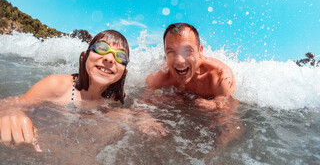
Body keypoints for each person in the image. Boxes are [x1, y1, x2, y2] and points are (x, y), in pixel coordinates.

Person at [0, 30, 130, 149]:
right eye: (101, 48)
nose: (109, 58)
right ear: (85, 56)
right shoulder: (56, 85)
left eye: (121, 57)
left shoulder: (115, 100)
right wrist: (10, 111)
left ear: (123, 72)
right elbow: (11, 103)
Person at [146, 22, 236, 110]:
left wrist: (214, 105)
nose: (179, 61)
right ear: (165, 56)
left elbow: (230, 112)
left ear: (200, 51)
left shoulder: (220, 76)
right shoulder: (160, 77)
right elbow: (141, 107)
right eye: (171, 52)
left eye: (187, 51)